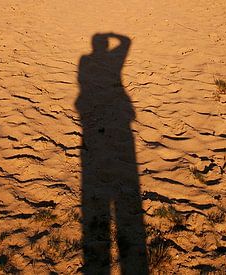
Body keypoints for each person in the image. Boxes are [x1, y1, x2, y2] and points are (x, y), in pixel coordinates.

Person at [76, 33, 148, 274]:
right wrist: (112, 35)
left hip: (88, 117)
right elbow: (126, 42)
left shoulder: (85, 61)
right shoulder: (97, 60)